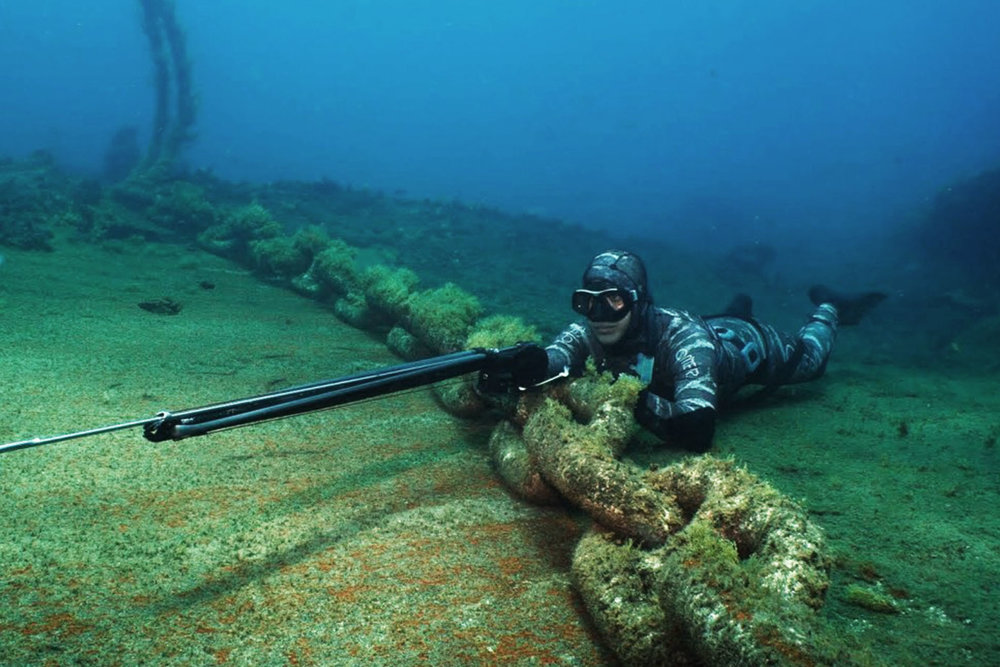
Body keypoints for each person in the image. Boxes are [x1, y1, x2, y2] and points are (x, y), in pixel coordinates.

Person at [543, 250, 886, 452]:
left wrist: (630, 395)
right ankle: (737, 309)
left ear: (638, 302)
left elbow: (697, 430)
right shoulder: (591, 327)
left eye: (614, 301)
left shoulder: (686, 340)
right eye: (588, 303)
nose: (600, 317)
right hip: (713, 327)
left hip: (748, 345)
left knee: (812, 360)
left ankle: (830, 307)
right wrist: (522, 361)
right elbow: (554, 357)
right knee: (725, 321)